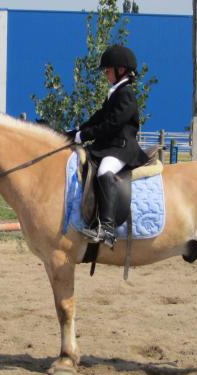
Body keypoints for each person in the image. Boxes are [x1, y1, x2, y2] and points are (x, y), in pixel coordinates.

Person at [71, 45, 149, 248]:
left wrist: (84, 136)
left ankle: (107, 228)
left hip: (122, 147)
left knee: (104, 172)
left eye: (108, 69)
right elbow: (98, 117)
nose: (105, 73)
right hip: (109, 146)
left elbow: (112, 124)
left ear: (121, 70)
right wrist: (76, 131)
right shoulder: (114, 93)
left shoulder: (126, 94)